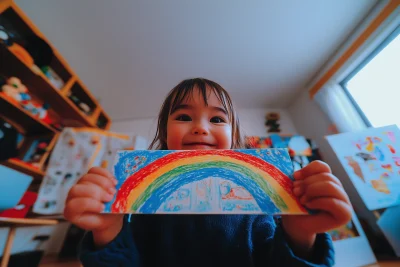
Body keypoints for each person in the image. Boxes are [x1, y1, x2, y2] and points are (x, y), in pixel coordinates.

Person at [64, 78, 352, 267]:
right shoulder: (142, 205)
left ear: (234, 135)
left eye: (216, 118)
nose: (201, 127)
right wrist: (107, 231)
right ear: (165, 133)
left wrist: (300, 236)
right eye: (184, 117)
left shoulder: (260, 204)